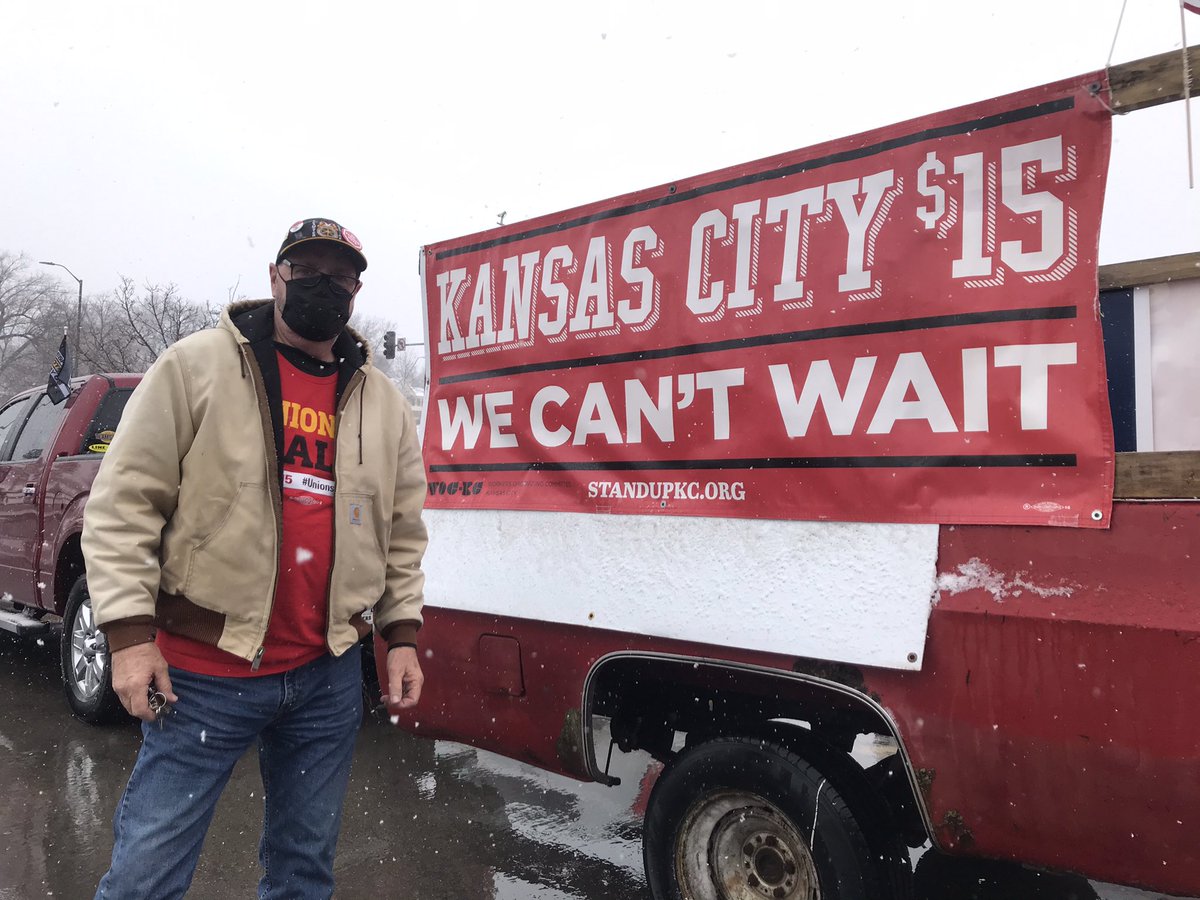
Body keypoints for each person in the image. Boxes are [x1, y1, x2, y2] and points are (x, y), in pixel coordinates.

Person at [81, 217, 428, 899]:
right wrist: (127, 640)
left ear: (356, 291)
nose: (323, 286)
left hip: (326, 678)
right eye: (306, 271)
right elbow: (124, 506)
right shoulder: (196, 366)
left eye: (339, 276)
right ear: (275, 278)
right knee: (145, 878)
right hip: (205, 673)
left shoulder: (382, 402)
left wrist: (402, 634)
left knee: (304, 872)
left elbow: (403, 530)